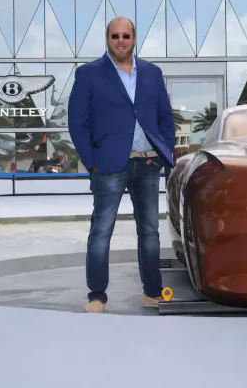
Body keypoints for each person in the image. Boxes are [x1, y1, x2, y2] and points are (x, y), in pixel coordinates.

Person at [68, 16, 176, 313]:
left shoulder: (152, 73)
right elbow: (77, 123)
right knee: (101, 231)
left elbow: (165, 118)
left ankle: (152, 292)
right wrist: (92, 162)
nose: (120, 41)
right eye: (115, 36)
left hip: (147, 163)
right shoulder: (88, 74)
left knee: (150, 231)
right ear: (107, 38)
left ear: (134, 38)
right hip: (108, 166)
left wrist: (163, 154)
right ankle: (97, 296)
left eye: (125, 36)